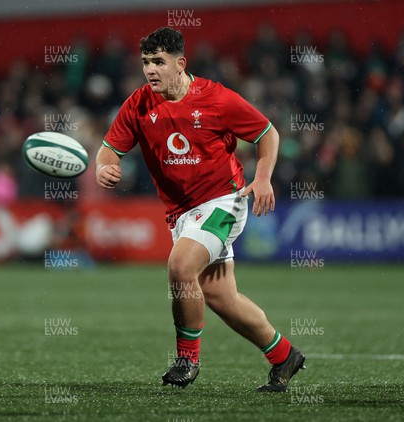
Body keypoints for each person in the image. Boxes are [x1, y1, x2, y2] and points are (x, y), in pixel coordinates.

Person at [95, 27, 304, 392]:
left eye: (158, 62)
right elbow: (108, 149)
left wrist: (264, 178)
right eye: (146, 62)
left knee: (179, 265)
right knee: (223, 298)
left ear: (180, 63)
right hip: (182, 214)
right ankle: (284, 355)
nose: (150, 70)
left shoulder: (217, 99)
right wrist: (103, 167)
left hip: (224, 201)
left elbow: (267, 134)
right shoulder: (139, 104)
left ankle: (187, 359)